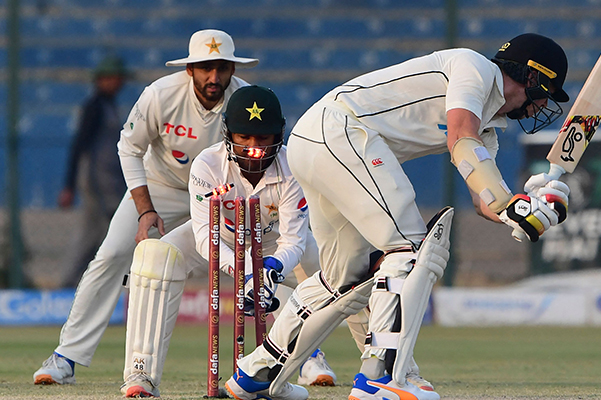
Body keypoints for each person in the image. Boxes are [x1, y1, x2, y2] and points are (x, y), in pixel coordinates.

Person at [226, 33, 572, 400]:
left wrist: (526, 210)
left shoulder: (487, 127)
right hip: (341, 131)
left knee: (344, 279)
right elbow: (460, 138)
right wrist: (509, 203)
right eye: (548, 93)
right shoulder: (475, 68)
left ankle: (258, 371)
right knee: (410, 250)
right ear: (533, 77)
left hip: (316, 141)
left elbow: (483, 200)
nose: (544, 105)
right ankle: (381, 376)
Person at [33, 29, 258, 386]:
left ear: (233, 68)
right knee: (111, 254)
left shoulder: (246, 100)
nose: (213, 77)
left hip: (220, 192)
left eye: (221, 68)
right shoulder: (160, 94)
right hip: (161, 186)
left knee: (267, 251)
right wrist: (145, 209)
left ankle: (306, 357)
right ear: (190, 69)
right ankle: (66, 357)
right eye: (205, 68)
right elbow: (129, 148)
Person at [120, 86, 338, 398]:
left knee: (341, 270)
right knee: (154, 256)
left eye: (262, 138)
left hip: (275, 243)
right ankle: (141, 372)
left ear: (279, 134)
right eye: (244, 137)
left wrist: (269, 269)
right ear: (228, 133)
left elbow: (293, 240)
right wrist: (248, 270)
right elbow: (203, 237)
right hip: (219, 236)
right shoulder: (207, 164)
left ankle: (353, 364)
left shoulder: (293, 167)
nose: (254, 149)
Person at [56, 55, 130, 288]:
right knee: (90, 233)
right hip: (96, 181)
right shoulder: (94, 107)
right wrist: (69, 185)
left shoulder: (109, 106)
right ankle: (68, 283)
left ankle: (89, 282)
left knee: (102, 234)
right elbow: (79, 146)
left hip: (109, 182)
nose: (118, 82)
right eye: (113, 77)